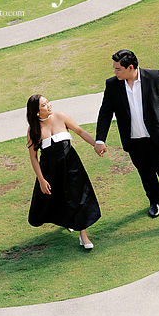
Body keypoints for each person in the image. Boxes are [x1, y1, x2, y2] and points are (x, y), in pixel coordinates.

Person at [95, 49, 159, 226]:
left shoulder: (153, 77)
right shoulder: (112, 85)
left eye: (118, 69)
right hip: (134, 142)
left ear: (130, 67)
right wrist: (100, 139)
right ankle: (155, 201)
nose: (115, 72)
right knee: (146, 174)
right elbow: (105, 113)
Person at [26, 94, 102, 250]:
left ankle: (83, 236)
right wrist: (41, 180)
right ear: (37, 112)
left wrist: (95, 144)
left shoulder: (61, 116)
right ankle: (68, 221)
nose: (49, 105)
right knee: (57, 198)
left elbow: (80, 131)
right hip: (49, 170)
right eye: (44, 105)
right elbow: (33, 157)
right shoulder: (33, 130)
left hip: (71, 164)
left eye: (48, 102)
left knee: (78, 196)